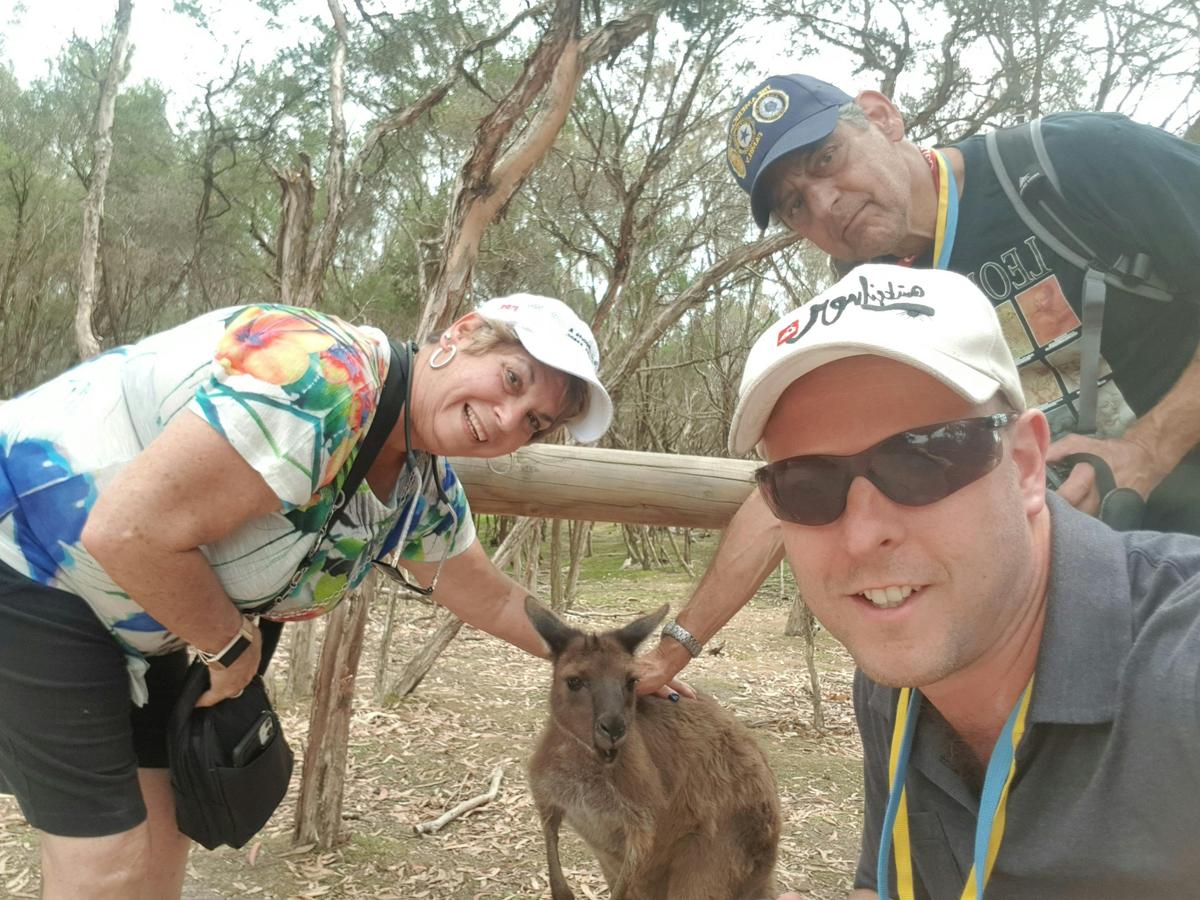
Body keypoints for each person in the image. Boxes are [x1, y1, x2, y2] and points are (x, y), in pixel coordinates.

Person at [0, 293, 615, 899]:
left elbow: (495, 600)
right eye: (512, 379)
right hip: (32, 562)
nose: (509, 418)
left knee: (163, 837)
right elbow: (126, 530)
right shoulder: (324, 383)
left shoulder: (419, 486)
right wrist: (230, 647)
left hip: (140, 620)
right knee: (107, 858)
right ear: (460, 335)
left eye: (534, 421)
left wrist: (614, 667)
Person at [635, 70, 1200, 692]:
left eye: (827, 158)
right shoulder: (876, 295)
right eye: (794, 203)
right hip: (1084, 605)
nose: (824, 204)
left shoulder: (1068, 163)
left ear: (882, 117)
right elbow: (811, 475)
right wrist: (674, 648)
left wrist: (1149, 447)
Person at [747, 263, 1200, 898]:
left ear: (1023, 465)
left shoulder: (1180, 674)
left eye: (922, 457)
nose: (861, 534)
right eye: (805, 485)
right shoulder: (897, 676)